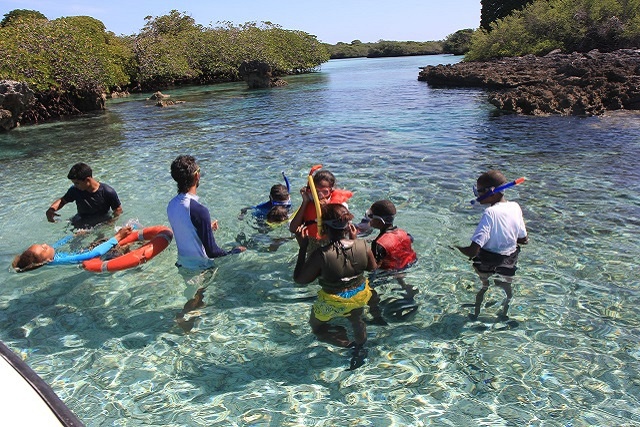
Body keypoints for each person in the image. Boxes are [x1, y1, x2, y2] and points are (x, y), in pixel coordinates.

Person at [293, 203, 377, 371]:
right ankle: (361, 347)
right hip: (360, 293)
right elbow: (372, 268)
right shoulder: (363, 245)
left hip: (333, 301)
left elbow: (300, 280)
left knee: (318, 328)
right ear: (348, 225)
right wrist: (354, 241)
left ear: (322, 227)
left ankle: (348, 345)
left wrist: (303, 248)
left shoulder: (321, 255)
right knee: (356, 319)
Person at [166, 155, 246, 328]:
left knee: (197, 298)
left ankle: (188, 328)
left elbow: (185, 228)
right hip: (201, 266)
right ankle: (182, 323)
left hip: (183, 263)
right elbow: (212, 251)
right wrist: (235, 251)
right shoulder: (199, 210)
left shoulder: (172, 204)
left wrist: (206, 227)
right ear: (196, 176)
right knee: (196, 299)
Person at [456, 170, 529, 321]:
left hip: (487, 259)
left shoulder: (490, 213)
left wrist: (455, 247)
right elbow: (523, 240)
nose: (477, 195)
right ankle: (504, 313)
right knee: (506, 287)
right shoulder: (515, 206)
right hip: (510, 257)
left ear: (492, 193)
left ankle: (476, 314)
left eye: (479, 191)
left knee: (484, 286)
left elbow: (472, 251)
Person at [366, 200, 419, 324]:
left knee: (368, 290)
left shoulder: (378, 244)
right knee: (399, 274)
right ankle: (408, 290)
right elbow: (398, 241)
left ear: (379, 221)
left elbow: (374, 266)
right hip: (409, 264)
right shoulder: (404, 233)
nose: (369, 220)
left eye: (370, 217)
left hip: (389, 271)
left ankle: (376, 317)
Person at [12, 227, 133, 272]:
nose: (45, 244)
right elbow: (94, 253)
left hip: (88, 248)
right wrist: (118, 236)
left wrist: (74, 236)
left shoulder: (50, 256)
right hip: (99, 255)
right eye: (43, 248)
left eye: (41, 244)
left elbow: (57, 244)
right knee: (124, 247)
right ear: (47, 260)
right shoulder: (62, 260)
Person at [46, 162, 123, 229]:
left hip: (101, 222)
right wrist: (51, 210)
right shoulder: (75, 190)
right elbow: (62, 201)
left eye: (77, 183)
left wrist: (110, 224)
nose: (75, 185)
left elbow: (118, 210)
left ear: (87, 180)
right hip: (80, 219)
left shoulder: (107, 192)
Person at [288, 168, 353, 247]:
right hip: (313, 242)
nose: (320, 195)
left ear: (331, 191)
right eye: (317, 191)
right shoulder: (309, 203)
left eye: (325, 192)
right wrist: (305, 202)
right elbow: (293, 229)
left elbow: (346, 231)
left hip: (333, 243)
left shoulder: (340, 206)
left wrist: (327, 208)